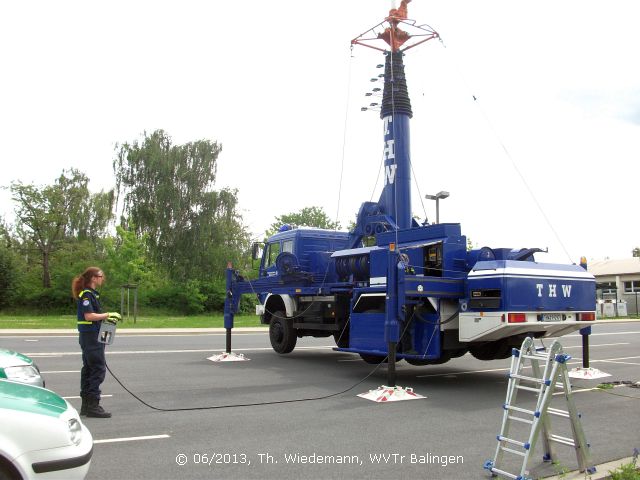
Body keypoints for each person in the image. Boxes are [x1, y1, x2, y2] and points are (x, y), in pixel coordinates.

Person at [71, 267, 120, 418]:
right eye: (100, 276)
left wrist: (106, 319)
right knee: (98, 368)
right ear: (93, 278)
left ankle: (86, 406)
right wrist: (108, 314)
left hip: (92, 335)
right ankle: (93, 405)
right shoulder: (87, 295)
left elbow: (94, 316)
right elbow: (89, 316)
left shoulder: (92, 294)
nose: (102, 278)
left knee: (89, 369)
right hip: (91, 336)